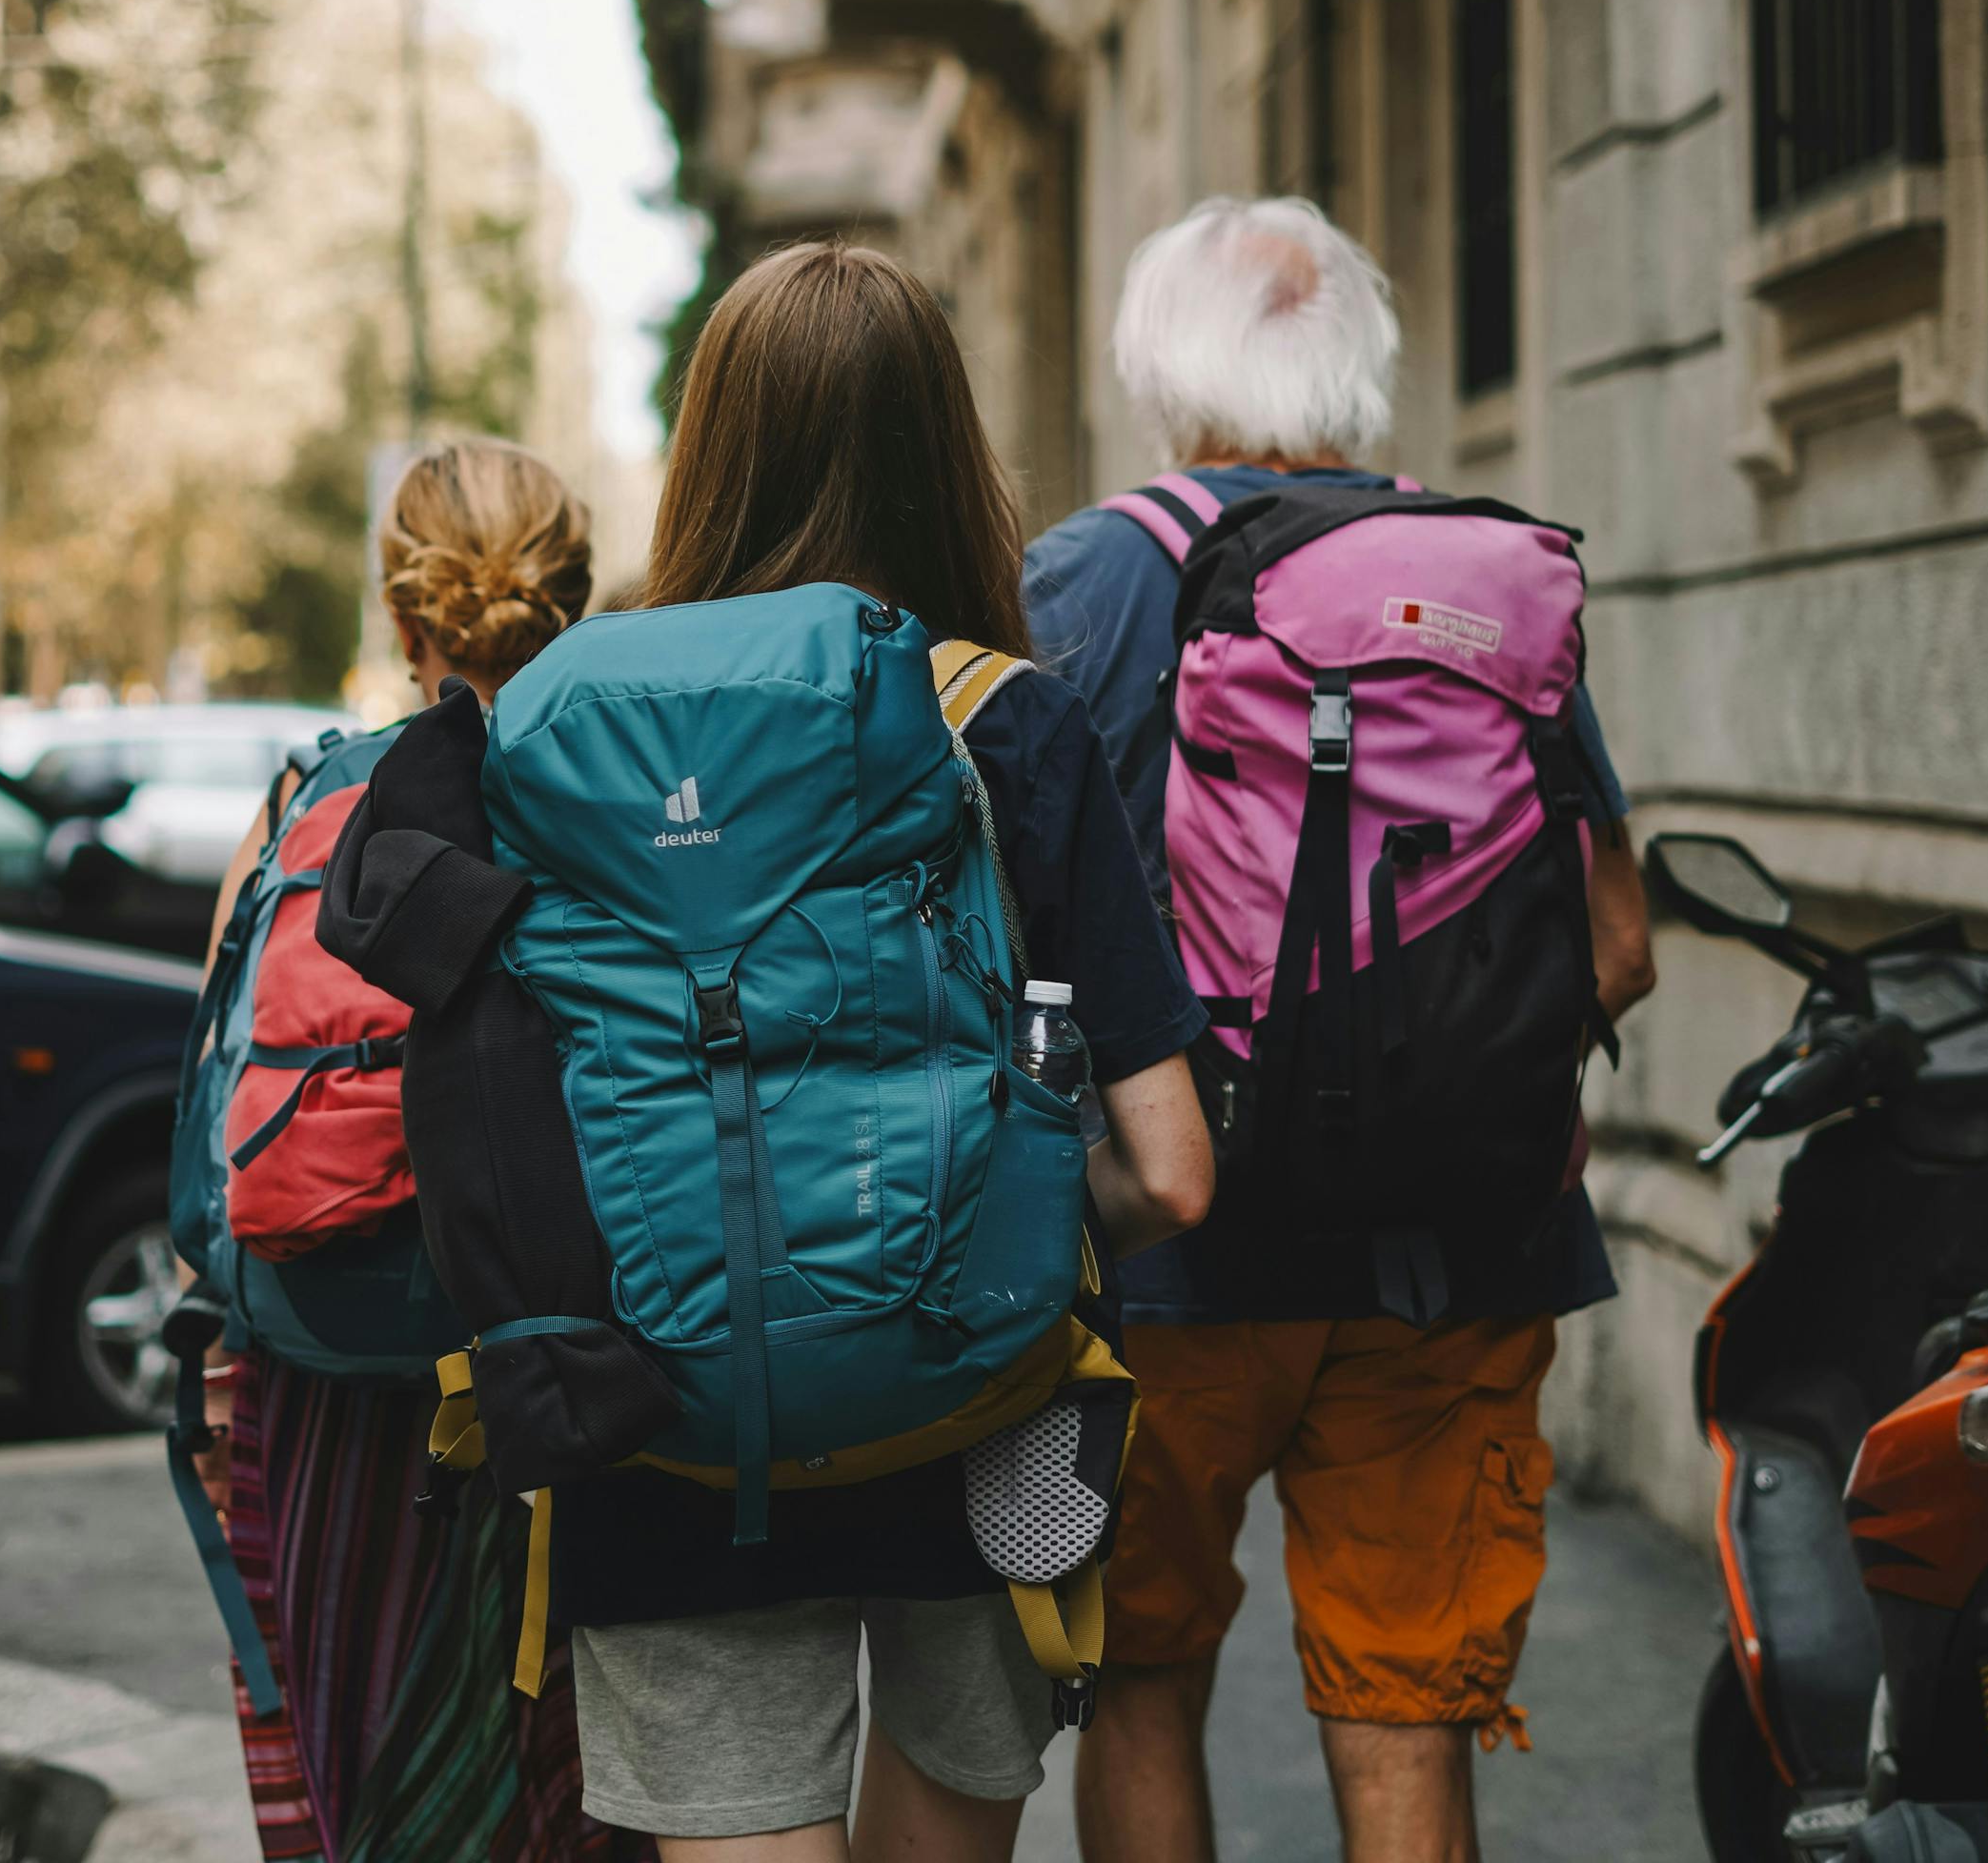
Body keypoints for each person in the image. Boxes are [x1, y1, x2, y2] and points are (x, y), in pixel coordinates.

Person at [549, 240, 1218, 1863]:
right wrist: (998, 1227)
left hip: (664, 1419)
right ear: (946, 447)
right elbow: (1177, 1176)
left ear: (713, 450)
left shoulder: (574, 726)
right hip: (982, 1420)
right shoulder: (1013, 722)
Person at [1025, 197, 1658, 1863]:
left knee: (1144, 1681)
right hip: (1460, 1263)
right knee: (1405, 1722)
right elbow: (1619, 941)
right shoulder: (1485, 578)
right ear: (1360, 370)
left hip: (1173, 1259)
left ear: (1160, 372)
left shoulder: (1092, 577)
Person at [190, 437, 641, 1863]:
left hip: (335, 1371)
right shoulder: (626, 800)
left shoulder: (303, 800)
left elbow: (212, 1094)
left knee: (372, 1759)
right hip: (577, 1366)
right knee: (584, 1772)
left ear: (402, 614)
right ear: (573, 595)